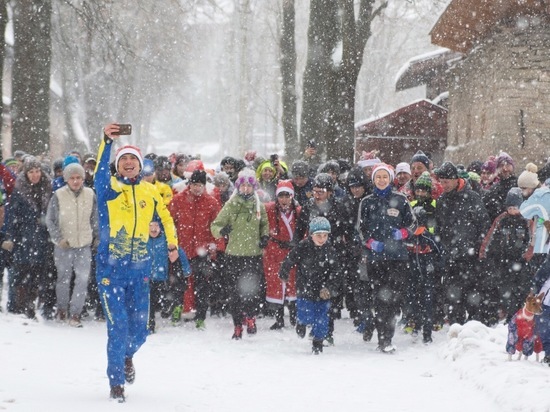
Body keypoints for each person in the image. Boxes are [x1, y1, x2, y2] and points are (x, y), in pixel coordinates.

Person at [95, 123, 179, 402]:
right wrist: (107, 142)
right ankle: (116, 382)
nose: (128, 163)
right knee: (117, 326)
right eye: (123, 160)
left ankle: (127, 355)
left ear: (140, 166)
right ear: (118, 167)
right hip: (111, 271)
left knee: (141, 330)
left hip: (140, 270)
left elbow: (166, 217)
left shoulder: (150, 191)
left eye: (133, 160)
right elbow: (97, 175)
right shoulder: (110, 190)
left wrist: (172, 243)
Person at [356, 163, 415, 352]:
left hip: (398, 258)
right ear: (373, 180)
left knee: (394, 300)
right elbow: (360, 229)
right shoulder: (366, 202)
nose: (381, 180)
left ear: (391, 179)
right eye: (378, 177)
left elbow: (413, 224)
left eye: (385, 177)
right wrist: (370, 242)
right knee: (381, 298)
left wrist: (403, 234)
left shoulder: (401, 199)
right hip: (376, 258)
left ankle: (386, 335)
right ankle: (384, 339)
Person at [210, 168, 269, 340]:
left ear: (253, 187)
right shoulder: (230, 204)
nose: (245, 189)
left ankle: (250, 318)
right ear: (237, 187)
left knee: (252, 291)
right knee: (234, 292)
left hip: (253, 254)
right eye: (242, 186)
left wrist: (265, 236)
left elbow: (264, 224)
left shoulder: (259, 205)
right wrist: (222, 230)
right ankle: (237, 325)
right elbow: (215, 226)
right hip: (234, 255)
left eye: (249, 186)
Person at [434, 161, 490, 325]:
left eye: (446, 182)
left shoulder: (472, 197)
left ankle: (473, 326)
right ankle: (456, 326)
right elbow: (439, 227)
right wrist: (444, 247)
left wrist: (477, 247)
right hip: (452, 256)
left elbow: (484, 224)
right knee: (453, 296)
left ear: (455, 179)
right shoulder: (442, 200)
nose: (443, 185)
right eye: (441, 182)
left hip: (471, 256)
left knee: (473, 295)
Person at [45, 162, 98, 327]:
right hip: (64, 245)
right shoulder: (58, 195)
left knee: (82, 279)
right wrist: (58, 238)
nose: (76, 181)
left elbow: (95, 218)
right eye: (72, 178)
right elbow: (50, 220)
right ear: (66, 179)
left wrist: (97, 237)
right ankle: (62, 308)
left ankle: (75, 313)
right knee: (63, 279)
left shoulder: (90, 194)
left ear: (83, 178)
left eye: (79, 178)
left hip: (84, 244)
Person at [169, 169, 222, 330]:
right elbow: (170, 223)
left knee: (202, 286)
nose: (197, 188)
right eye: (194, 184)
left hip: (202, 250)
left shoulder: (211, 203)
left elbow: (216, 227)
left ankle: (200, 316)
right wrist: (171, 245)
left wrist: (216, 247)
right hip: (182, 250)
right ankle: (177, 309)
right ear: (189, 184)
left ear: (204, 186)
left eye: (200, 185)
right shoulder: (178, 200)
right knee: (178, 283)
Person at [2, 156, 54, 320]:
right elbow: (11, 215)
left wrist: (46, 222)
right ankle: (21, 307)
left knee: (40, 274)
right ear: (26, 173)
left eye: (37, 171)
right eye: (31, 172)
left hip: (43, 238)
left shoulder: (48, 188)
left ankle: (34, 305)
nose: (35, 175)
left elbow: (54, 213)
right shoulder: (19, 190)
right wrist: (9, 236)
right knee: (22, 274)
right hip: (23, 237)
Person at [279, 217, 340, 354]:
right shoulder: (303, 246)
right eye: (319, 235)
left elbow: (336, 272)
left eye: (325, 235)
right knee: (306, 312)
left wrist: (330, 288)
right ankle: (301, 323)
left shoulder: (330, 250)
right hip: (305, 287)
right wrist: (284, 271)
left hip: (323, 290)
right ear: (311, 235)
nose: (322, 239)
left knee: (322, 318)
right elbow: (290, 259)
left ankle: (317, 342)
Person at [479, 188, 534, 324]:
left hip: (521, 262)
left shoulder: (527, 220)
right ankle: (510, 315)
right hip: (503, 261)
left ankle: (521, 315)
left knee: (521, 289)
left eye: (515, 207)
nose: (513, 210)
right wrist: (484, 253)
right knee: (505, 290)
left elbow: (533, 240)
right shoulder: (501, 219)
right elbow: (490, 237)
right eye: (510, 207)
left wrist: (526, 256)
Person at [263, 180, 301, 330]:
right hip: (274, 251)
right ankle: (278, 319)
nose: (284, 200)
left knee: (293, 284)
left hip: (292, 251)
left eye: (287, 196)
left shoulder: (299, 212)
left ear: (292, 196)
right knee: (276, 285)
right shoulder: (269, 210)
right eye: (281, 196)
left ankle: (294, 317)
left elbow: (304, 231)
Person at [147, 220, 191, 333]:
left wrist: (186, 269)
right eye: (151, 226)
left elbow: (180, 252)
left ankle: (168, 309)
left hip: (162, 278)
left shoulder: (166, 240)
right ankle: (150, 325)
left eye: (156, 226)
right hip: (147, 278)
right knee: (149, 302)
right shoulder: (143, 240)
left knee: (166, 300)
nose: (153, 229)